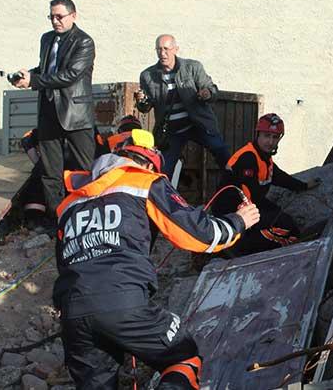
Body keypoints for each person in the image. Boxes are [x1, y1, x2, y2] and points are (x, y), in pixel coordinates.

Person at [53, 129, 259, 389]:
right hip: (124, 303)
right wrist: (239, 221)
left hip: (73, 312)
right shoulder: (144, 182)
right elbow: (199, 237)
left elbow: (64, 261)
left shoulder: (69, 203)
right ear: (150, 163)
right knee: (183, 357)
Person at [11, 0, 96, 218]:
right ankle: (57, 219)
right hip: (48, 112)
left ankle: (83, 217)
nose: (55, 21)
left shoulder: (84, 42)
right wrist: (25, 76)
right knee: (50, 172)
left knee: (83, 170)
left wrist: (35, 81)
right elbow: (45, 67)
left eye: (60, 16)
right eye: (51, 17)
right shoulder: (47, 39)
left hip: (75, 115)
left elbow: (70, 75)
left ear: (73, 16)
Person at [212, 113, 319, 256]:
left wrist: (304, 186)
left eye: (275, 137)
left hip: (247, 207)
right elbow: (246, 197)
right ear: (258, 135)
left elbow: (280, 177)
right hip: (233, 214)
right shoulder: (248, 158)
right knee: (283, 224)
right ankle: (237, 248)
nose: (270, 142)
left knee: (281, 217)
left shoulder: (264, 158)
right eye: (266, 136)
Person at [135, 34, 229, 183]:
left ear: (176, 49)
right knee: (163, 171)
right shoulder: (148, 75)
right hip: (172, 131)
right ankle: (163, 202)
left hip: (198, 124)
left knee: (222, 153)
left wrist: (207, 93)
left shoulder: (192, 67)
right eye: (159, 49)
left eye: (166, 49)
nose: (162, 53)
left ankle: (233, 186)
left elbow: (212, 90)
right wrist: (141, 101)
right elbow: (145, 108)